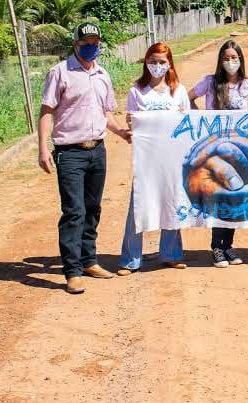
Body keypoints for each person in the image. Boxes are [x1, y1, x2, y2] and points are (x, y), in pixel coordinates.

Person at [38, 22, 131, 294]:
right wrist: (43, 148)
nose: (92, 47)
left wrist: (122, 133)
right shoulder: (60, 73)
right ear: (75, 44)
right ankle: (72, 271)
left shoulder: (103, 74)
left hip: (97, 151)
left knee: (93, 209)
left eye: (95, 42)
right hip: (70, 152)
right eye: (86, 42)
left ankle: (89, 260)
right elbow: (46, 112)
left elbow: (106, 114)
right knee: (74, 211)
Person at [117, 42, 189, 276]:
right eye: (153, 61)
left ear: (169, 64)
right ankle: (130, 259)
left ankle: (171, 253)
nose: (157, 66)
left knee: (171, 203)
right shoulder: (137, 91)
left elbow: (187, 123)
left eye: (162, 62)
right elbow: (131, 121)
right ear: (146, 62)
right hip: (146, 159)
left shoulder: (178, 90)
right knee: (138, 206)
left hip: (173, 157)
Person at [189, 40, 248, 268]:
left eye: (234, 58)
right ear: (220, 61)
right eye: (226, 58)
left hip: (239, 150)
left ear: (241, 60)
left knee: (235, 196)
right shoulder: (210, 83)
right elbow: (188, 97)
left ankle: (229, 245)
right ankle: (217, 247)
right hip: (214, 149)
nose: (231, 62)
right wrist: (200, 119)